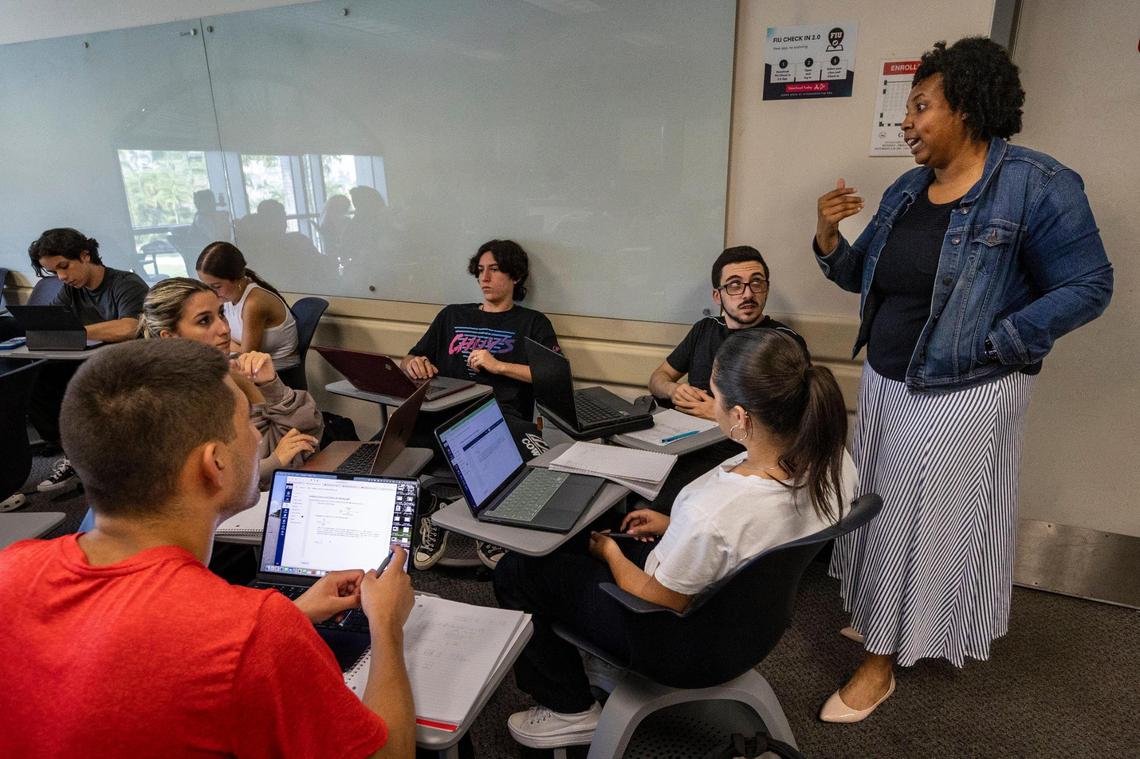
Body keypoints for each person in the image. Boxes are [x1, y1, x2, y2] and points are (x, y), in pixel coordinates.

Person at [811, 37, 1112, 723]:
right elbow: (862, 276)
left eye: (921, 106)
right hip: (888, 381)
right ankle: (884, 616)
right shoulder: (907, 189)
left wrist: (1000, 341)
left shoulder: (1037, 184)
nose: (906, 122)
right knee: (880, 512)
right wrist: (827, 236)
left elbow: (1090, 284)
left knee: (925, 527)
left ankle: (881, 663)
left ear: (967, 108)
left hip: (964, 390)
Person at [0, 339, 415, 758]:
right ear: (214, 464)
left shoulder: (11, 568)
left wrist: (295, 613)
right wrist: (386, 625)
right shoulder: (253, 631)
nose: (256, 435)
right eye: (247, 423)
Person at [493, 329, 857, 749]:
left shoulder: (714, 511)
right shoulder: (834, 460)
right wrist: (673, 524)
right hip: (753, 625)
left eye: (715, 396)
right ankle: (595, 659)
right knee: (584, 538)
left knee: (517, 570)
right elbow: (751, 535)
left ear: (741, 417)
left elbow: (659, 598)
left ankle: (569, 708)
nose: (710, 403)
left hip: (675, 643)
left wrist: (611, 553)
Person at [401, 239, 559, 571]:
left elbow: (551, 376)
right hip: (442, 414)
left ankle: (490, 522)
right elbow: (412, 356)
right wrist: (413, 363)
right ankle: (432, 508)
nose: (484, 278)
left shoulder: (532, 323)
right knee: (386, 452)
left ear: (515, 276)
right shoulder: (452, 315)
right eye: (481, 271)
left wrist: (498, 366)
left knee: (539, 464)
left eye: (495, 270)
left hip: (499, 416)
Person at [645, 245, 805, 513]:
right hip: (683, 443)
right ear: (717, 295)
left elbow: (789, 424)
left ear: (766, 288)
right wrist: (672, 390)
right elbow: (657, 379)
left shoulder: (782, 341)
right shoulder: (704, 329)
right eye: (735, 285)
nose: (748, 294)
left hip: (739, 454)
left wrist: (719, 413)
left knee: (657, 506)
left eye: (756, 283)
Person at [140, 277, 322, 487]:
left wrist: (271, 384)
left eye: (221, 314)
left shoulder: (231, 371)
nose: (224, 329)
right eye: (204, 321)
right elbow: (204, 483)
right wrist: (274, 462)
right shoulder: (167, 400)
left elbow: (303, 441)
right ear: (170, 337)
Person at [27, 227, 149, 493]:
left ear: (85, 256)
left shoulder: (125, 283)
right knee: (35, 378)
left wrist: (77, 332)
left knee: (72, 380)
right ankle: (73, 451)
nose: (61, 277)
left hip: (132, 363)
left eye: (64, 267)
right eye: (54, 272)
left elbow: (130, 327)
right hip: (93, 361)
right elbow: (53, 324)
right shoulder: (71, 291)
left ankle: (90, 455)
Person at [196, 241, 300, 370]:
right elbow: (222, 341)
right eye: (206, 286)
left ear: (236, 279)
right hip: (253, 365)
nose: (212, 292)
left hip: (280, 371)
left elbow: (246, 357)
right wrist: (231, 344)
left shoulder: (254, 303)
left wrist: (230, 344)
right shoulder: (227, 297)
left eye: (216, 286)